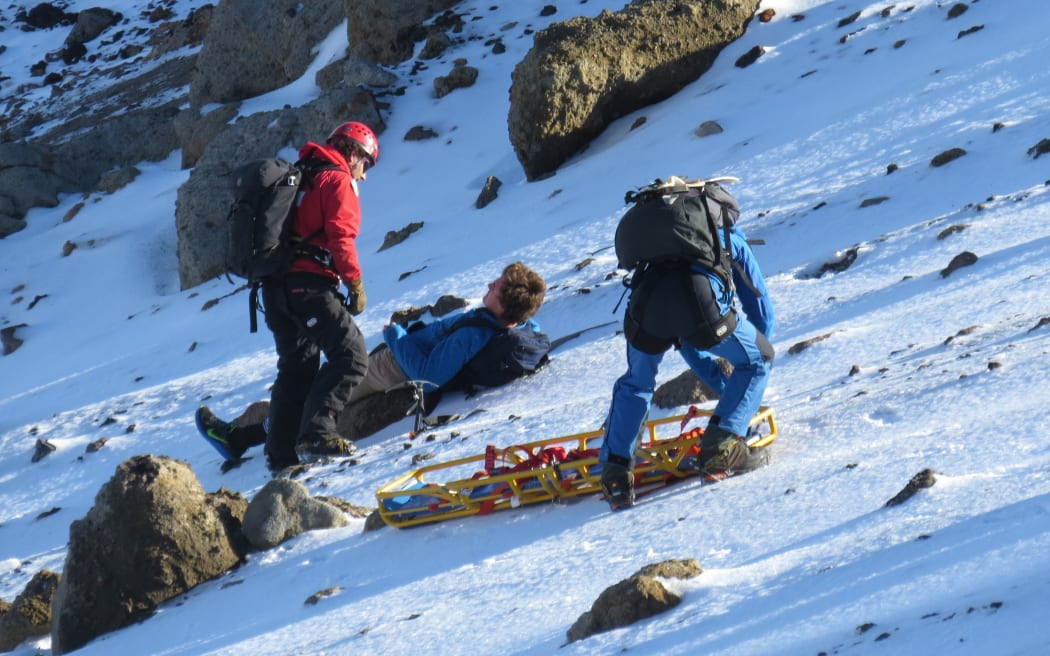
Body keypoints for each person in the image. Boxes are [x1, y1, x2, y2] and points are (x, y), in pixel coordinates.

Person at [197, 262, 547, 463]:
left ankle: (237, 438)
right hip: (387, 368)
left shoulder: (477, 333)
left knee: (317, 400)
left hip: (387, 371)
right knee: (314, 395)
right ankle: (243, 435)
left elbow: (428, 374)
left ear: (505, 302)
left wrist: (396, 336)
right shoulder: (503, 323)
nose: (489, 283)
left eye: (497, 286)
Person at [599, 191, 775, 510]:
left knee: (637, 382)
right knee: (760, 359)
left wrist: (716, 378)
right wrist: (742, 387)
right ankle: (721, 449)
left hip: (644, 307)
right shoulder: (727, 238)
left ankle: (615, 474)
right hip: (701, 305)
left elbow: (686, 342)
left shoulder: (657, 249)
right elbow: (761, 313)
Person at [236, 121, 378, 472]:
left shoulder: (302, 174)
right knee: (352, 356)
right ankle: (317, 433)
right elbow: (341, 238)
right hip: (309, 286)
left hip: (274, 290)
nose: (364, 174)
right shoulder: (337, 180)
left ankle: (281, 457)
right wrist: (355, 286)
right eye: (367, 163)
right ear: (354, 152)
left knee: (296, 370)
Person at [684, 223, 774, 397]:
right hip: (713, 310)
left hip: (660, 305)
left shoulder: (663, 249)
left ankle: (731, 397)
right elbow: (763, 316)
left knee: (685, 338)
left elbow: (686, 344)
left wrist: (722, 388)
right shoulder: (732, 244)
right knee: (760, 357)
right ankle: (739, 402)